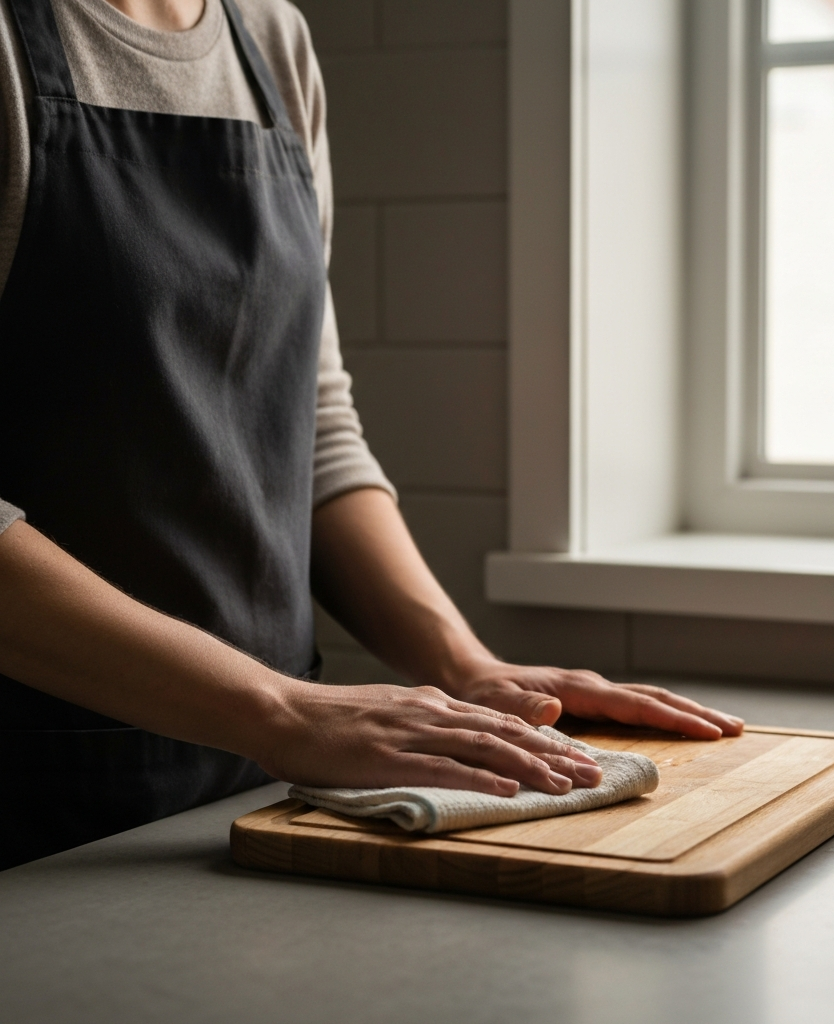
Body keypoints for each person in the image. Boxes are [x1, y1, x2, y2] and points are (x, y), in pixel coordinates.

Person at [0, 0, 743, 871]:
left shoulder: (272, 40)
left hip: (272, 791)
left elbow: (313, 424)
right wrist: (279, 711)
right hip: (41, 797)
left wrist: (467, 668)